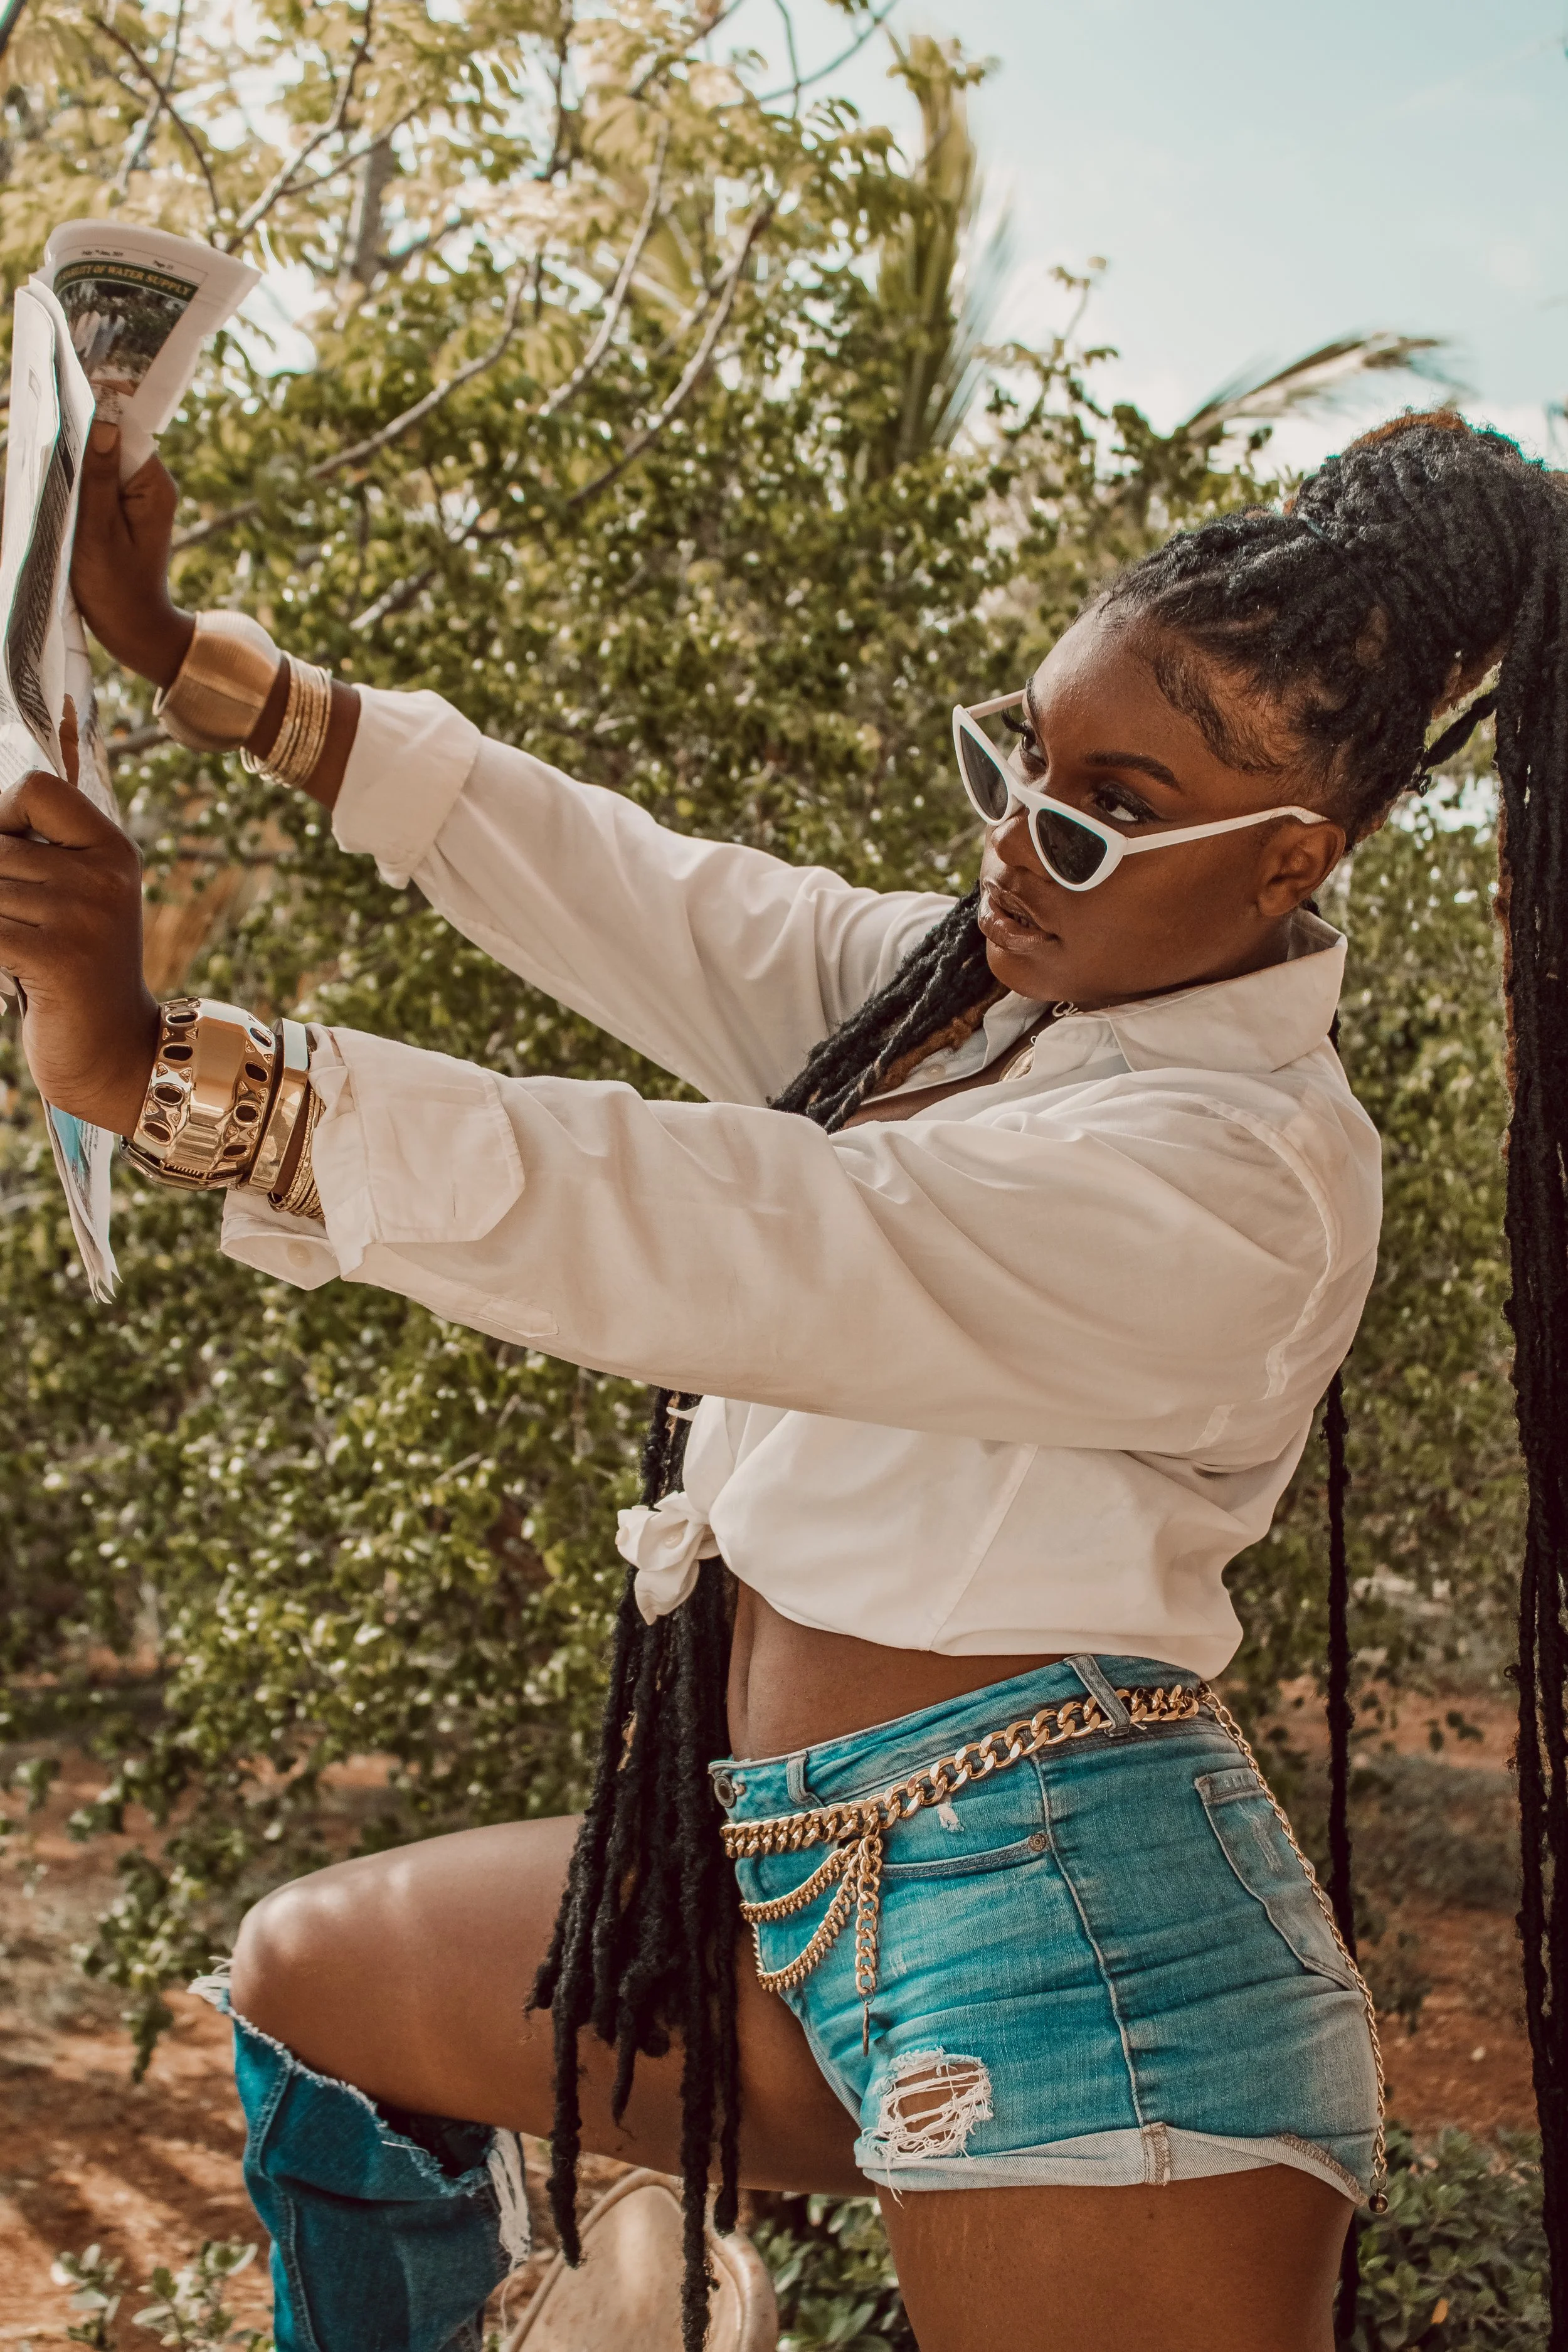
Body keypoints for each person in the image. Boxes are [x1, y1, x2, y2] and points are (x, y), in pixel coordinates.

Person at [2, 408, 1559, 2352]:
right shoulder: (982, 1003)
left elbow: (744, 1226)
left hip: (1080, 1963)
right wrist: (188, 661)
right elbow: (643, 888)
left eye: (1096, 811)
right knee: (314, 1986)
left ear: (1292, 860)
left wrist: (178, 1073)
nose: (1015, 841)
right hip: (788, 1880)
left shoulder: (1241, 1178)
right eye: (1019, 761)